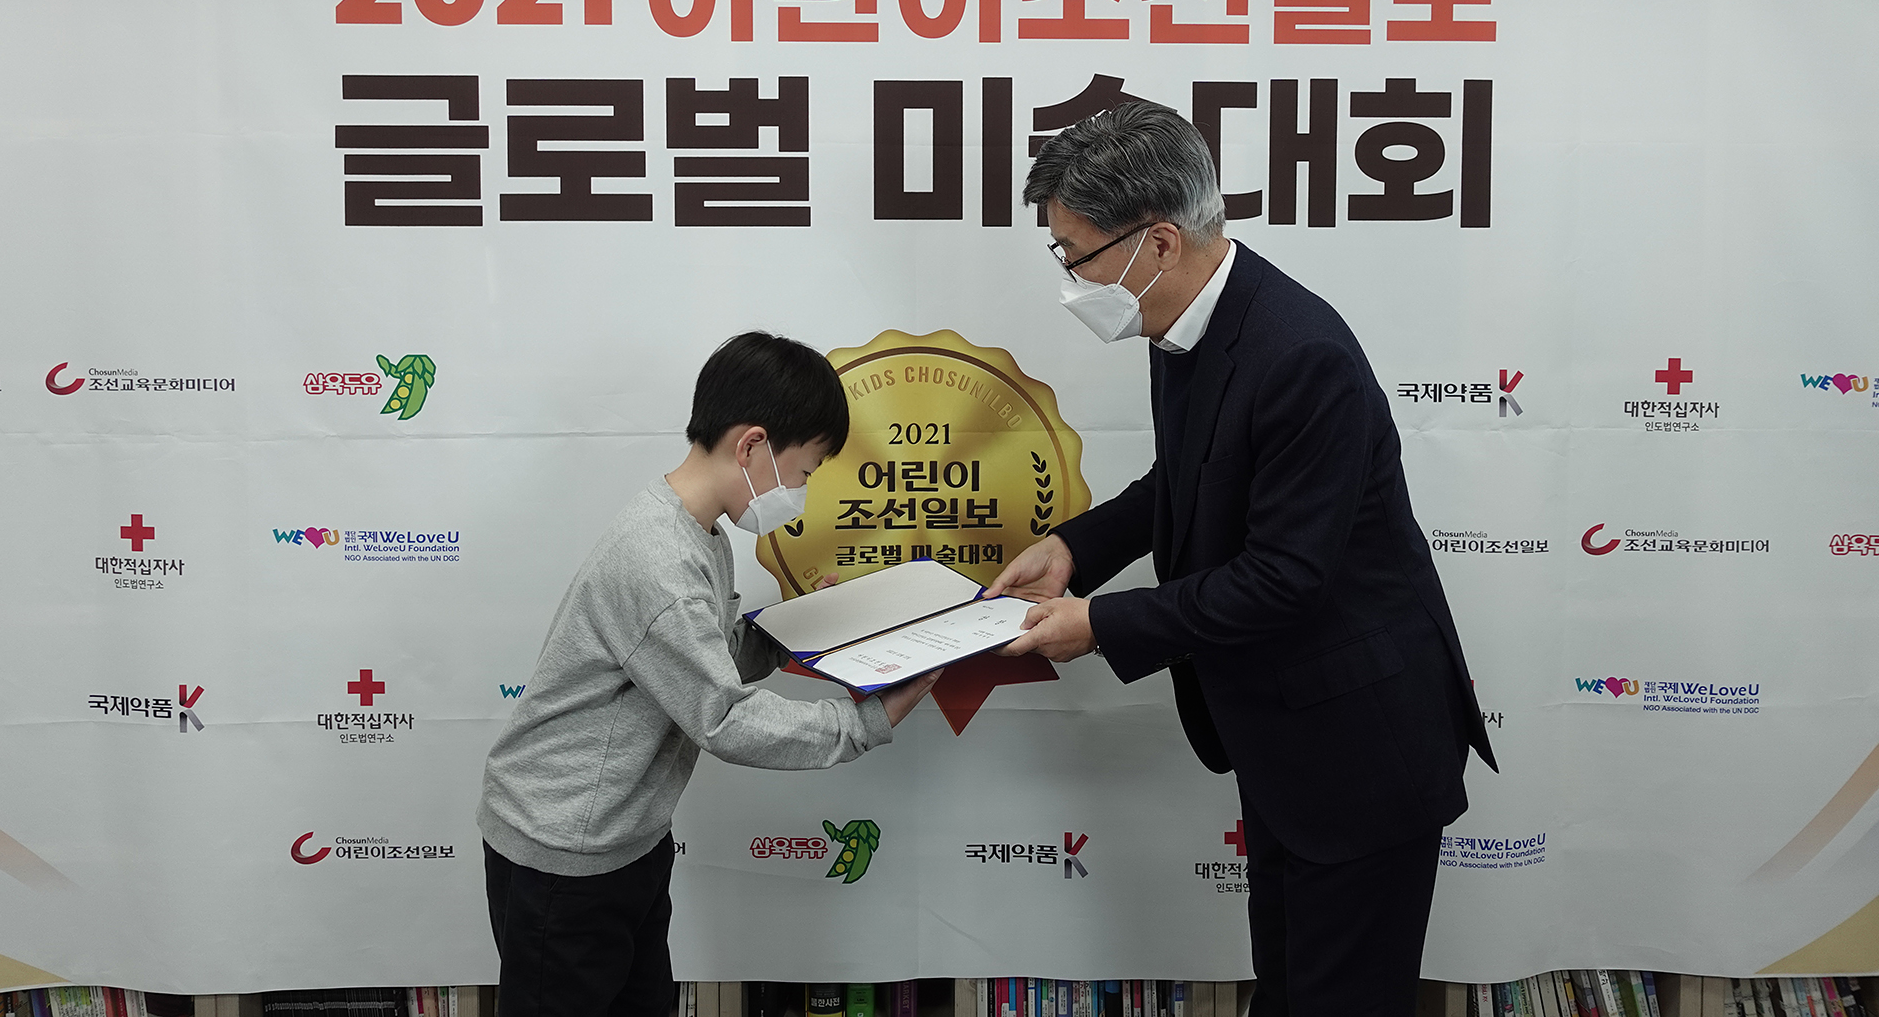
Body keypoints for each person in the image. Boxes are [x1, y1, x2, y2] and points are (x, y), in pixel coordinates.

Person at [987, 102, 1495, 1017]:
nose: (1071, 280)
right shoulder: (1184, 320)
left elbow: (1284, 577)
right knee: (1290, 986)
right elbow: (1188, 476)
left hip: (1358, 743)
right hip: (1284, 738)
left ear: (1159, 243)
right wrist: (1074, 548)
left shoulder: (1300, 354)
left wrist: (1098, 624)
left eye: (1076, 255)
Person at [478, 331, 939, 1017]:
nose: (803, 493)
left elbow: (705, 653)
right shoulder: (658, 559)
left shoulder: (699, 533)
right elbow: (721, 716)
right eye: (805, 471)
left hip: (626, 838)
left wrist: (800, 629)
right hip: (565, 850)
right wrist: (867, 720)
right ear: (752, 445)